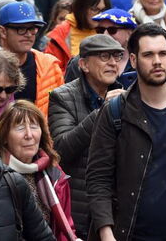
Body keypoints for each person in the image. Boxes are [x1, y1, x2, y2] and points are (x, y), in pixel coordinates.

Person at [86, 23, 166, 241]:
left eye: (163, 53)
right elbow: (98, 177)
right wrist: (106, 232)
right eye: (148, 55)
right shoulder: (115, 111)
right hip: (129, 232)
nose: (158, 61)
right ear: (133, 60)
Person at [48, 34, 124, 235]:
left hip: (115, 207)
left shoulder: (125, 95)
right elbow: (61, 149)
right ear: (83, 64)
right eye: (104, 57)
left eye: (117, 57)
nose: (112, 63)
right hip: (80, 208)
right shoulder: (62, 96)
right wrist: (103, 112)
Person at [0, 2, 63, 116]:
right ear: (3, 31)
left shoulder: (50, 66)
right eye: (21, 29)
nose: (29, 34)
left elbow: (60, 114)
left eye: (32, 28)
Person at [0, 100, 76, 241]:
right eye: (20, 128)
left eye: (33, 126)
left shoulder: (54, 174)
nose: (29, 135)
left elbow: (65, 227)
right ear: (4, 137)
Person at [44, 0, 110, 73]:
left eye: (103, 10)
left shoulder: (111, 30)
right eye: (95, 9)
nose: (99, 15)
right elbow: (51, 72)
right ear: (82, 7)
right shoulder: (61, 32)